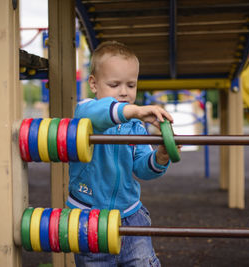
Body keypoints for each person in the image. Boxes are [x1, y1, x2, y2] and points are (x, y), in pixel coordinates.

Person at [67, 40, 174, 266]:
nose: (124, 92)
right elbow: (101, 112)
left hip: (130, 215)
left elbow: (142, 169)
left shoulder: (136, 128)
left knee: (142, 262)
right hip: (89, 217)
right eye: (114, 84)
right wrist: (134, 110)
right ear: (94, 84)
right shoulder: (86, 112)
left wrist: (160, 157)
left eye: (131, 85)